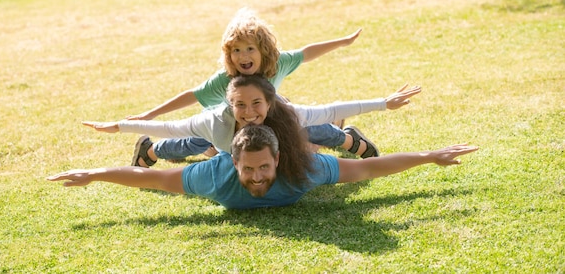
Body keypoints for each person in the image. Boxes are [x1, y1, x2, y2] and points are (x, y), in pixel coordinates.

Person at [121, 8, 380, 167]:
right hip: (228, 126)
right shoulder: (225, 78)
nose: (243, 56)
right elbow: (191, 95)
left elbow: (306, 52)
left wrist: (342, 42)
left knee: (303, 128)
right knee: (198, 141)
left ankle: (349, 139)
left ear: (263, 50)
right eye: (236, 50)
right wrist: (149, 116)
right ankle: (152, 150)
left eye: (249, 49)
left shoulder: (278, 63)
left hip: (269, 117)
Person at [47, 124, 479, 210]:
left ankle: (344, 132)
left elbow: (368, 170)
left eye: (263, 169)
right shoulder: (214, 175)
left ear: (278, 160)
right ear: (231, 162)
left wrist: (428, 157)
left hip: (294, 139)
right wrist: (95, 173)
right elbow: (152, 179)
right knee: (192, 146)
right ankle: (157, 144)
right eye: (247, 170)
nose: (256, 177)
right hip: (213, 147)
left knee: (318, 134)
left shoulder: (304, 169)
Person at [83, 74, 421, 162]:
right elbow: (170, 126)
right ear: (229, 104)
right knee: (192, 145)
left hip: (286, 130)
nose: (249, 112)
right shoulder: (217, 120)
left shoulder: (283, 112)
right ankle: (150, 152)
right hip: (223, 141)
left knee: (313, 131)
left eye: (256, 104)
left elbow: (333, 109)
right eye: (240, 106)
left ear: (269, 101)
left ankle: (352, 140)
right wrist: (119, 127)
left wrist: (383, 103)